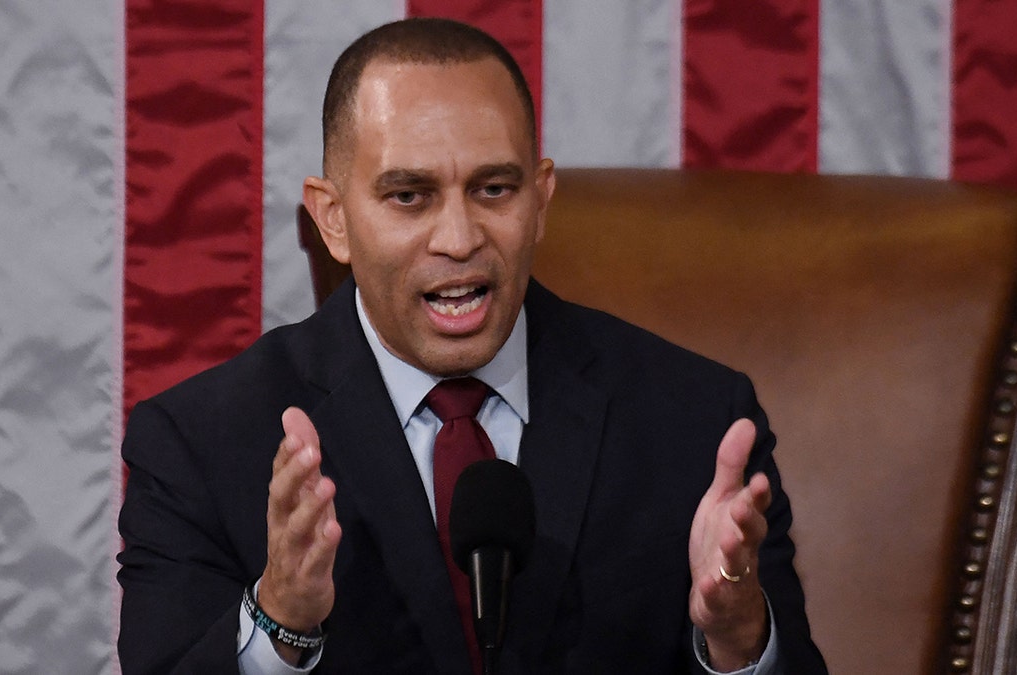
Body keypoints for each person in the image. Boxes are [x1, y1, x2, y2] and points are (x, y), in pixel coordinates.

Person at [117, 17, 827, 675]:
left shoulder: (697, 422)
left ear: (541, 199)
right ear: (333, 219)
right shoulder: (199, 443)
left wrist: (736, 639)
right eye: (409, 196)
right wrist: (281, 620)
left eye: (493, 188)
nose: (459, 239)